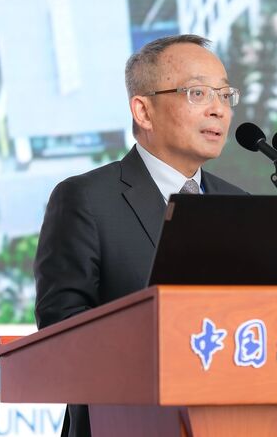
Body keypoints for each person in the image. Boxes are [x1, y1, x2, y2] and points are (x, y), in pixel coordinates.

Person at [33, 34, 245, 437]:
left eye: (224, 94)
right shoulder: (86, 199)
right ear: (143, 111)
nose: (218, 109)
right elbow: (61, 330)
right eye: (197, 93)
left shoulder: (238, 203)